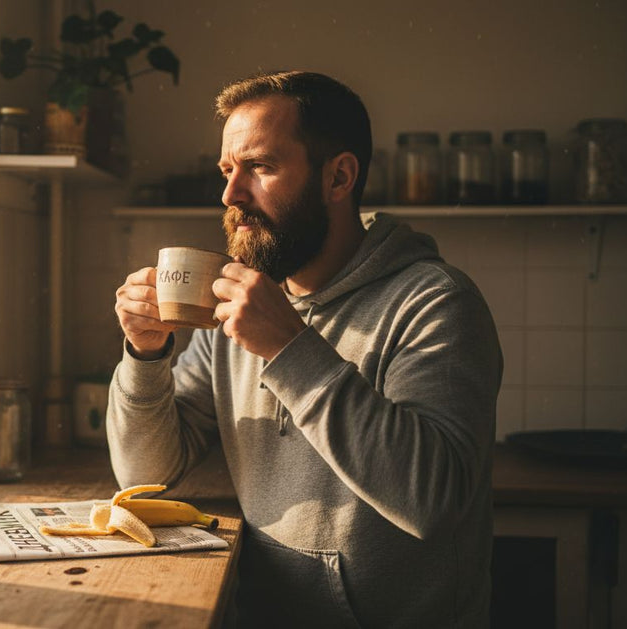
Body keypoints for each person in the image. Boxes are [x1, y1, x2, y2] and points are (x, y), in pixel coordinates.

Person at [109, 70, 502, 628]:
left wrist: (289, 348)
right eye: (227, 170)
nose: (230, 195)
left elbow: (431, 501)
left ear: (338, 177)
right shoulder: (242, 304)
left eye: (260, 168)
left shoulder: (436, 302)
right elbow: (143, 472)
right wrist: (146, 357)